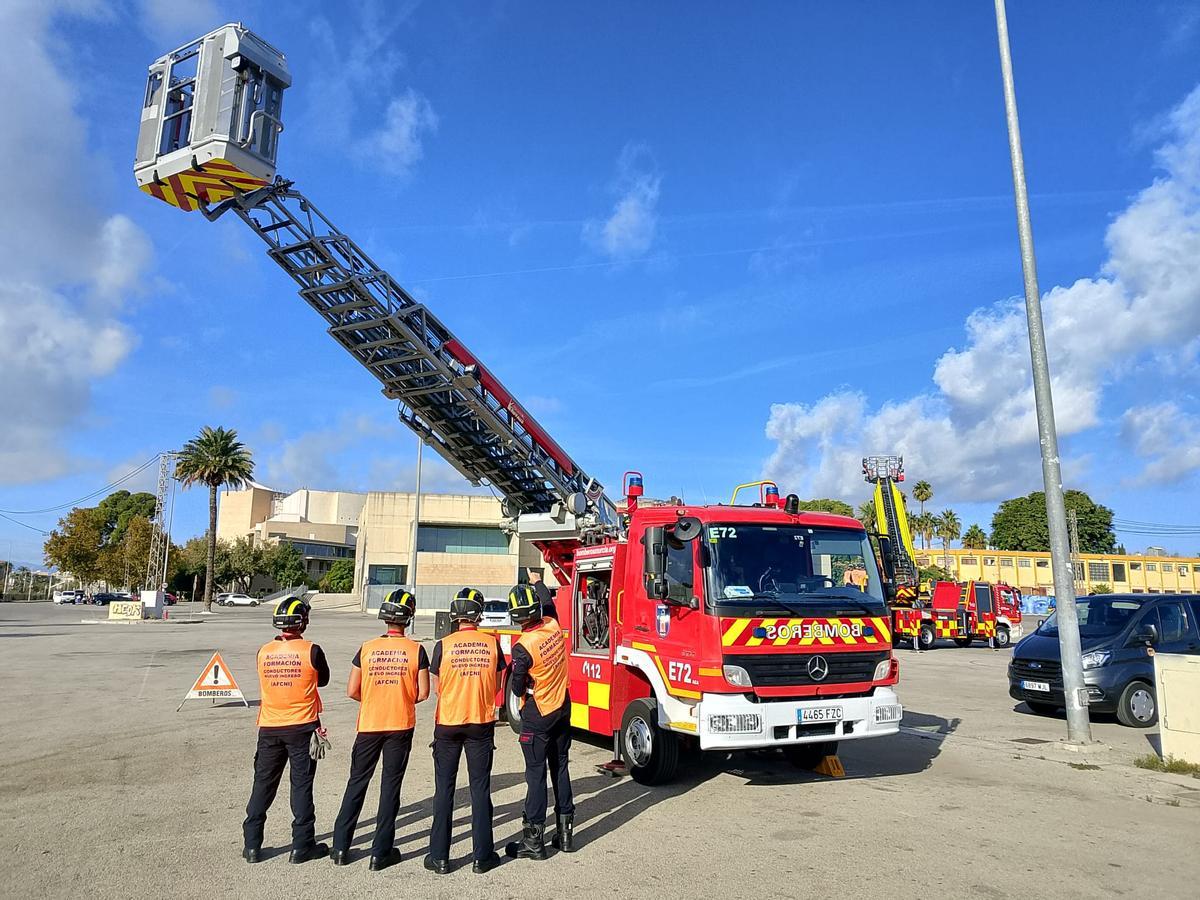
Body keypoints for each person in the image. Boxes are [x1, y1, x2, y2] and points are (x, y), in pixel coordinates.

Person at [330, 590, 429, 871]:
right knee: (390, 787)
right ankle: (380, 852)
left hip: (369, 725)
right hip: (400, 725)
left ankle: (340, 847)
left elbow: (352, 690)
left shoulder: (367, 648)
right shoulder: (415, 650)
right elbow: (422, 693)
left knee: (356, 783)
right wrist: (398, 697)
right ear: (408, 618)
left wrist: (374, 698)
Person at [242, 597, 331, 864]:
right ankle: (302, 845)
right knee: (301, 785)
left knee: (263, 784)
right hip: (302, 726)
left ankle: (252, 845)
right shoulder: (311, 650)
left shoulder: (264, 651)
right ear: (302, 622)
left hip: (269, 727)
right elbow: (323, 680)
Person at [424, 588, 506, 875]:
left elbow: (437, 687)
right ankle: (482, 856)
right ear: (478, 615)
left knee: (444, 791)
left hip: (448, 723)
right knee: (480, 789)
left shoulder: (443, 645)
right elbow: (497, 686)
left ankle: (439, 857)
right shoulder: (491, 644)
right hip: (480, 723)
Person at [504, 584, 575, 861]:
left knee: (536, 775)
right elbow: (548, 602)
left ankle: (534, 841)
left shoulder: (523, 647)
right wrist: (538, 582)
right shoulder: (553, 626)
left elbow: (519, 689)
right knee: (560, 768)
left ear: (514, 615)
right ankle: (565, 834)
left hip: (538, 713)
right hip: (562, 707)